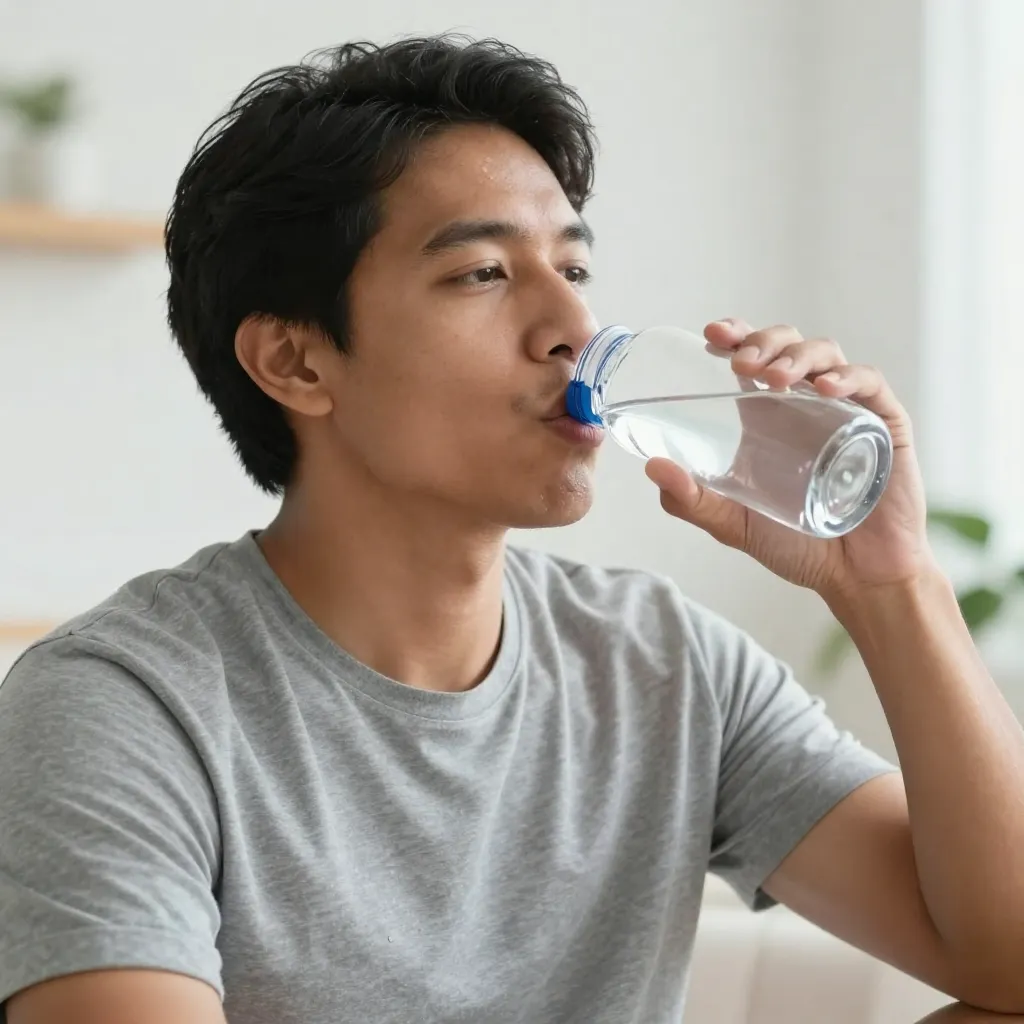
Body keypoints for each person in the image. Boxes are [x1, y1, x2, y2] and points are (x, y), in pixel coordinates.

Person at [1, 35, 1023, 1024]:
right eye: (482, 273)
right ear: (296, 363)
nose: (573, 330)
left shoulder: (662, 664)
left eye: (572, 270)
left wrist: (890, 588)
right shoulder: (118, 707)